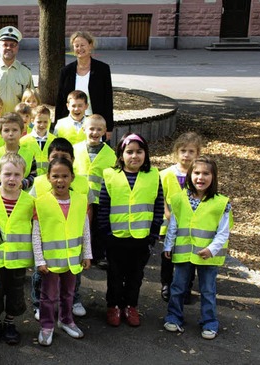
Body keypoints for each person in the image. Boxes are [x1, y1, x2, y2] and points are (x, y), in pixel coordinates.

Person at [98, 133, 164, 327]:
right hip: (116, 238)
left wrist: (153, 235)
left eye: (139, 152)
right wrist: (106, 235)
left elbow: (158, 206)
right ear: (121, 154)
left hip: (141, 238)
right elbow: (104, 206)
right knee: (115, 275)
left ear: (146, 154)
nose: (134, 156)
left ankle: (131, 305)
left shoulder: (153, 175)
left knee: (136, 276)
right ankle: (114, 306)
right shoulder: (110, 175)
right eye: (129, 152)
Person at [163, 156, 231, 340]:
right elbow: (174, 226)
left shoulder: (221, 203)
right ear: (189, 175)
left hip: (208, 257)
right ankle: (174, 317)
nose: (200, 177)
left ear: (214, 177)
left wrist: (212, 249)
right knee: (177, 287)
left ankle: (209, 322)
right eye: (197, 172)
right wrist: (168, 245)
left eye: (206, 173)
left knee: (208, 290)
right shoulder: (178, 199)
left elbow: (223, 232)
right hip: (184, 253)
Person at [33, 158, 92, 345]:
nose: (60, 180)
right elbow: (36, 233)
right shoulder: (41, 203)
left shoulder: (80, 200)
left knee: (69, 293)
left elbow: (85, 229)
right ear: (48, 178)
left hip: (72, 260)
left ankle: (66, 320)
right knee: (48, 296)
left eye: (65, 176)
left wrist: (87, 254)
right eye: (55, 176)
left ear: (72, 177)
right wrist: (39, 260)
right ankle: (47, 325)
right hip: (50, 261)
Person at [0, 153, 34, 345]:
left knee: (15, 294)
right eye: (7, 174)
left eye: (17, 175)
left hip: (18, 261)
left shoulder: (29, 201)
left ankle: (10, 323)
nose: (12, 179)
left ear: (24, 176)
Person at [159, 132, 203, 302]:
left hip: (190, 225)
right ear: (176, 152)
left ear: (197, 154)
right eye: (183, 150)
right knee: (168, 255)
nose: (186, 155)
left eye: (191, 151)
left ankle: (186, 286)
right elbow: (159, 195)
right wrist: (167, 212)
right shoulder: (166, 174)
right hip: (169, 222)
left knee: (188, 256)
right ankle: (166, 283)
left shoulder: (199, 174)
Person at [72, 114, 116, 269]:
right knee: (79, 226)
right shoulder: (76, 149)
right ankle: (78, 253)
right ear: (84, 129)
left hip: (100, 199)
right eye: (91, 129)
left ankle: (98, 255)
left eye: (99, 129)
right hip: (79, 197)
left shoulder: (110, 154)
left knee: (98, 228)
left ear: (104, 131)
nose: (95, 133)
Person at [55, 31, 114, 141]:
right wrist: (57, 125)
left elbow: (108, 99)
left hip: (95, 124)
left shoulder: (102, 69)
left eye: (83, 45)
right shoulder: (66, 71)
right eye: (76, 46)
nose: (79, 48)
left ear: (90, 46)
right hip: (72, 124)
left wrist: (109, 127)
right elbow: (60, 100)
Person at [0, 113, 36, 190]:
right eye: (6, 130)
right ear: (0, 133)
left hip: (22, 198)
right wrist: (1, 185)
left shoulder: (29, 154)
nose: (11, 134)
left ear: (22, 132)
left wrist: (22, 184)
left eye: (15, 130)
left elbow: (33, 176)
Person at [20, 105, 55, 176]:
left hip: (49, 180)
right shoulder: (23, 141)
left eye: (45, 122)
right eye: (39, 122)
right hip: (30, 180)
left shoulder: (54, 140)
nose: (42, 125)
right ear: (32, 121)